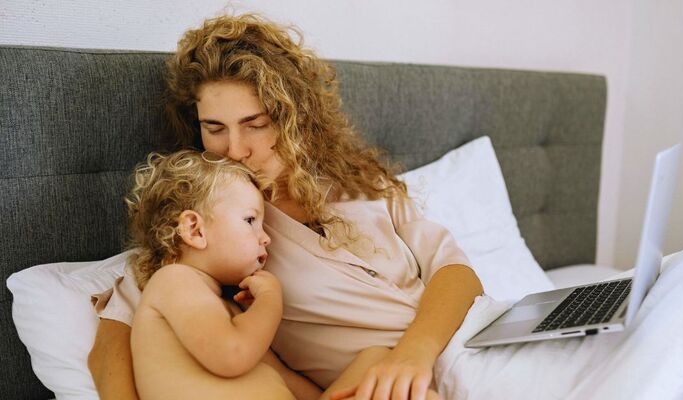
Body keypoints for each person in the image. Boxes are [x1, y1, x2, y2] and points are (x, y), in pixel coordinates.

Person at [88, 13, 483, 400]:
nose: (237, 149)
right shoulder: (218, 225)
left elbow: (456, 272)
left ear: (294, 117)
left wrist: (412, 354)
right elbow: (115, 337)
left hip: (468, 343)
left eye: (255, 124)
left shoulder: (361, 182)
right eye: (214, 128)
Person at [124, 150, 321, 400]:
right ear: (195, 230)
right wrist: (271, 300)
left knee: (372, 357)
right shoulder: (173, 281)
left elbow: (281, 374)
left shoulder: (228, 310)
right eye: (250, 220)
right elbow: (233, 355)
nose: (266, 237)